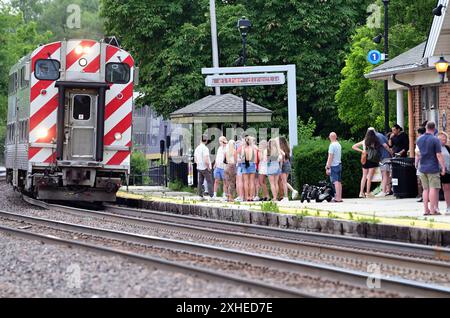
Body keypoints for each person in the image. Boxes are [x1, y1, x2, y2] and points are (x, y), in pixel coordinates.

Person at [415, 121, 446, 216]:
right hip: (432, 167)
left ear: (426, 127)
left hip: (422, 167)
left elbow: (418, 154)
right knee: (433, 188)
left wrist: (416, 163)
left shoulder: (419, 139)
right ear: (434, 128)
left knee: (425, 189)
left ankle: (425, 210)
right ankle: (433, 210)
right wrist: (443, 167)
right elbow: (439, 155)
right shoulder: (435, 140)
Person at [352, 129, 381, 198]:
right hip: (372, 160)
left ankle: (361, 192)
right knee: (369, 177)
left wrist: (362, 151)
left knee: (364, 176)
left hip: (364, 159)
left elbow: (354, 146)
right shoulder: (375, 141)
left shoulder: (364, 141)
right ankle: (367, 193)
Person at [372, 128, 393, 197]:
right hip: (386, 157)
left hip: (384, 157)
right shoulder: (380, 135)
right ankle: (388, 190)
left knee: (384, 174)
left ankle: (383, 191)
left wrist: (391, 152)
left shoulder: (377, 136)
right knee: (387, 174)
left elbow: (385, 145)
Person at [278, 137, 299, 201]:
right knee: (284, 181)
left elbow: (282, 158)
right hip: (288, 164)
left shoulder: (280, 149)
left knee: (284, 182)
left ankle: (287, 196)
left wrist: (280, 167)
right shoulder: (287, 148)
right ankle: (291, 192)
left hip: (283, 165)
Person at [194, 135, 213, 199]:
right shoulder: (205, 148)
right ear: (206, 141)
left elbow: (195, 159)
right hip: (205, 167)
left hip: (199, 167)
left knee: (200, 182)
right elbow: (206, 159)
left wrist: (198, 164)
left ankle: (200, 195)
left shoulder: (197, 148)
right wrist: (208, 167)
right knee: (209, 181)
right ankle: (211, 196)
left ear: (200, 140)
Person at [326, 132, 343, 203]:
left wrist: (328, 166)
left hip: (334, 165)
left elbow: (330, 156)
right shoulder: (338, 144)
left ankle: (337, 198)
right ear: (336, 137)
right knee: (339, 182)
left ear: (330, 137)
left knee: (335, 182)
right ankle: (340, 197)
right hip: (339, 164)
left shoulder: (332, 145)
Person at [240, 135, 257, 201]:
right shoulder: (253, 149)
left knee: (246, 182)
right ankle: (251, 196)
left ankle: (247, 197)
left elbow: (242, 158)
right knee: (252, 181)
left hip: (245, 164)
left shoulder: (244, 149)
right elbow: (255, 159)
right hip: (252, 164)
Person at [438, 132, 450, 216]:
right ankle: (435, 208)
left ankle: (448, 207)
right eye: (442, 139)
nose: (444, 140)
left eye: (445, 139)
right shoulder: (436, 148)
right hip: (438, 171)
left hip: (447, 171)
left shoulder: (447, 148)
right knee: (436, 189)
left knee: (447, 188)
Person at [416, 127, 426, 203]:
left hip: (421, 163)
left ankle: (422, 196)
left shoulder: (419, 141)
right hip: (429, 163)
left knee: (420, 181)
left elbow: (418, 154)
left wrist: (416, 163)